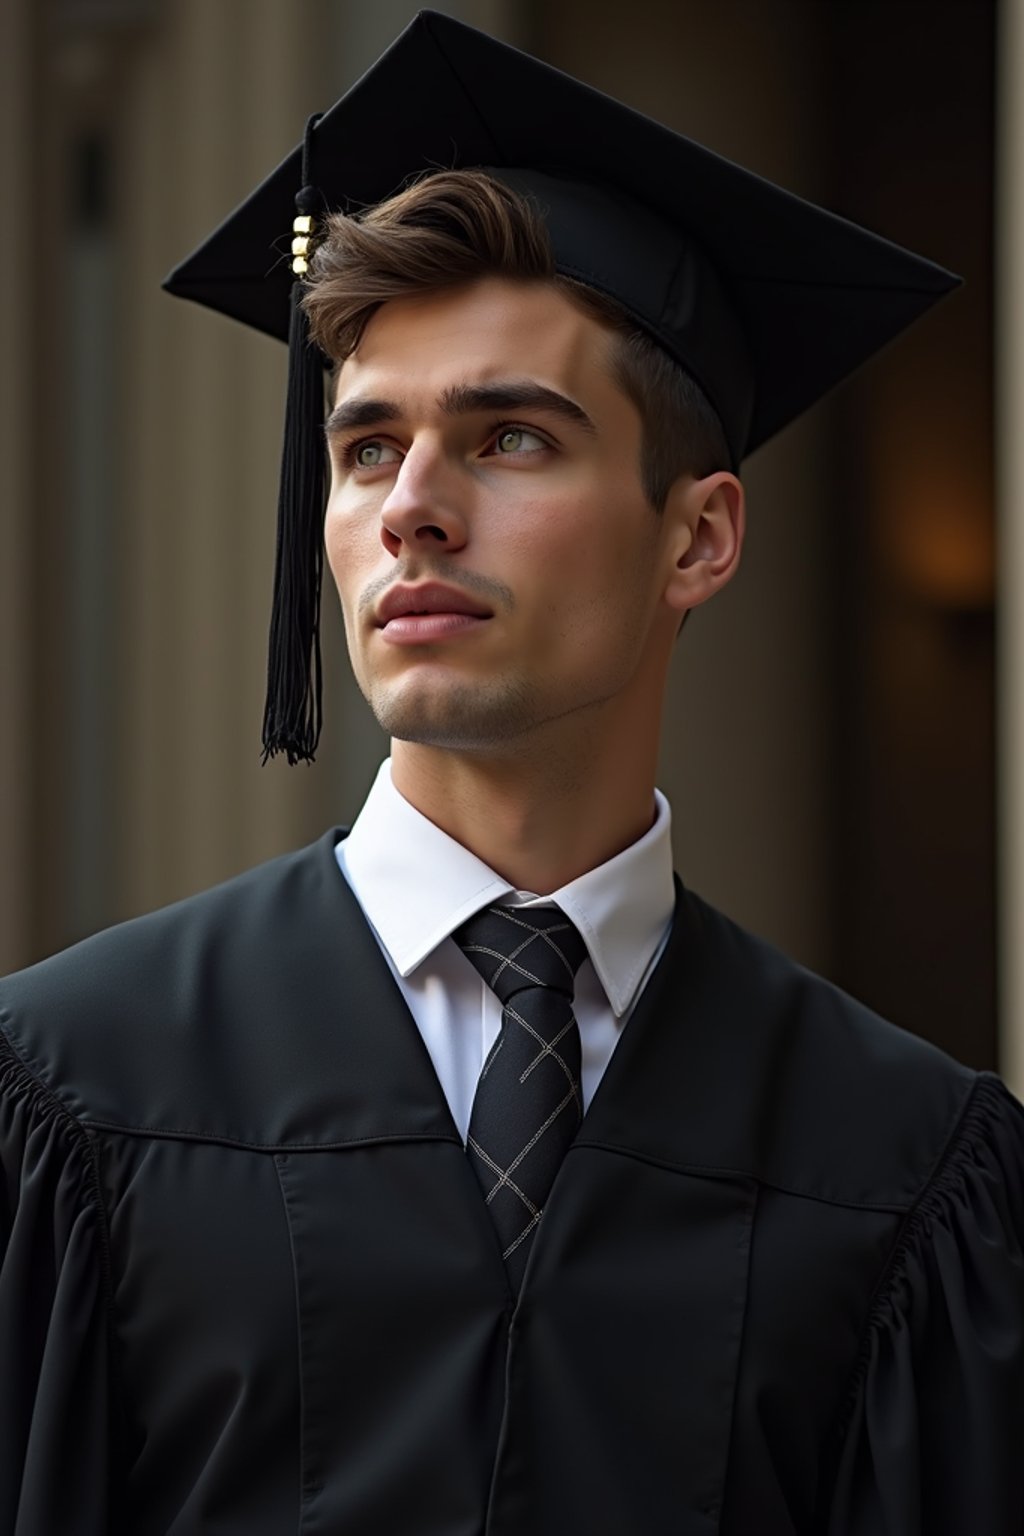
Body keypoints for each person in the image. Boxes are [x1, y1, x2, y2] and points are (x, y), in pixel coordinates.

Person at [2, 13, 1022, 1535]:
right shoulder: (69, 1088)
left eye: (513, 439)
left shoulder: (908, 1164)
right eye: (365, 449)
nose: (413, 506)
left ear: (700, 535)